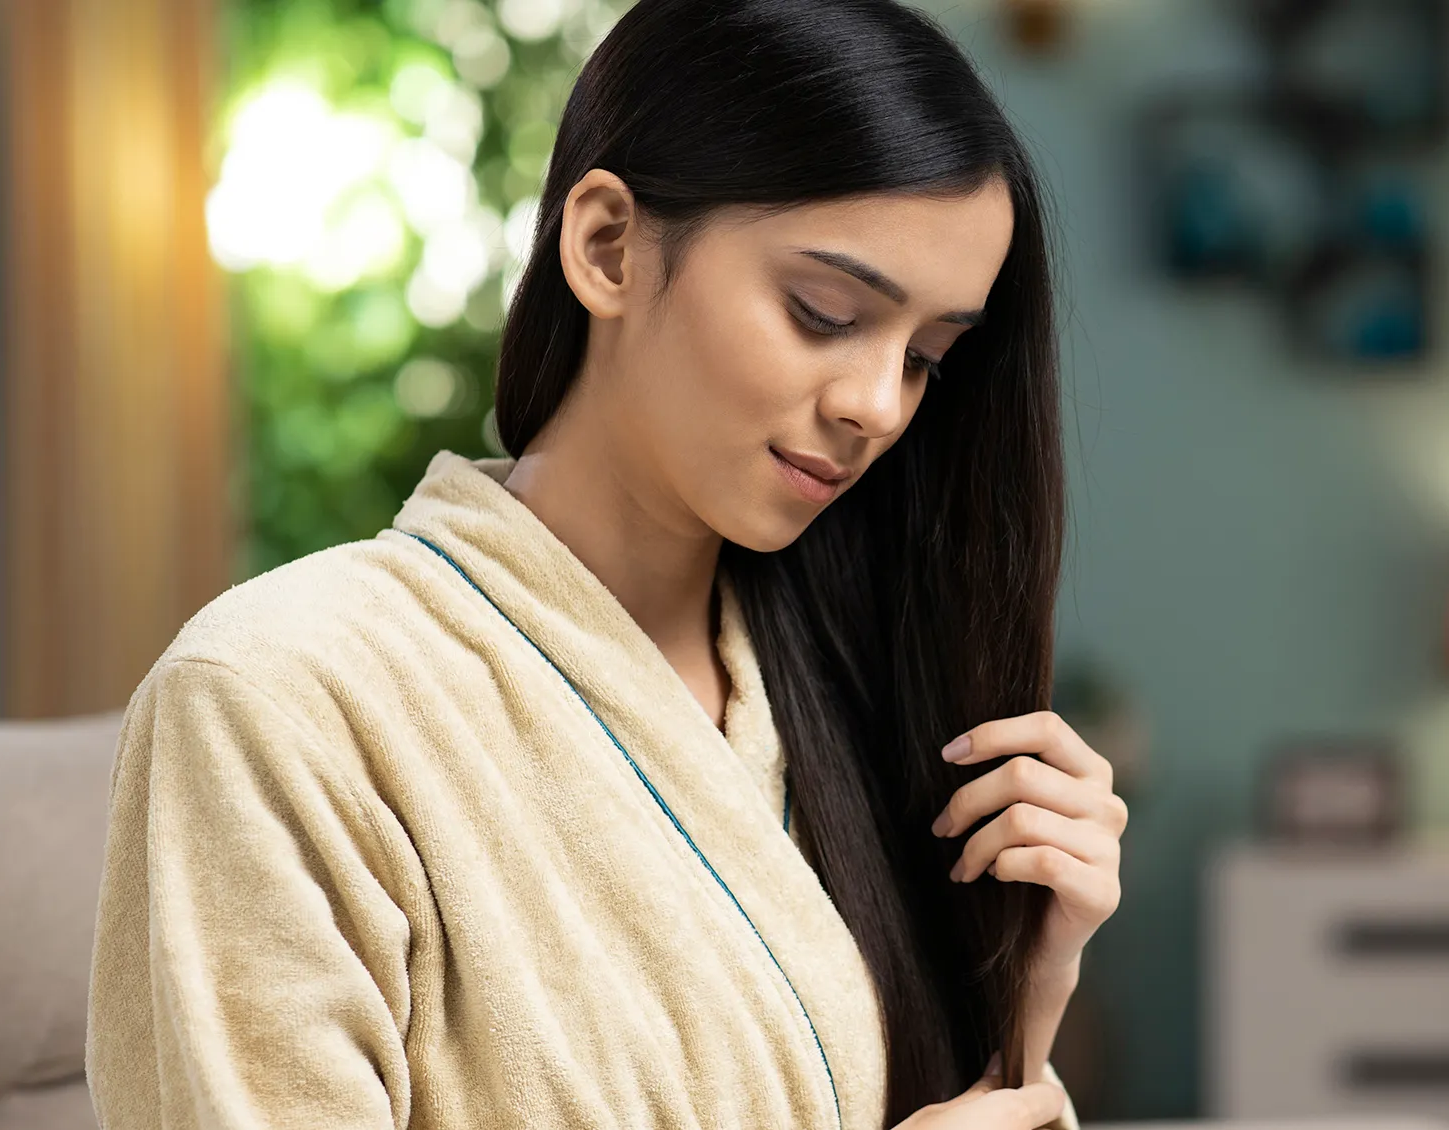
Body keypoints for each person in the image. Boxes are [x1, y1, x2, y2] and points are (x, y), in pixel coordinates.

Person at [86, 0, 1126, 1126]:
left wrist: (1029, 977)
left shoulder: (854, 696)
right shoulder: (278, 696)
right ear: (607, 245)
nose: (877, 404)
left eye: (925, 357)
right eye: (824, 312)